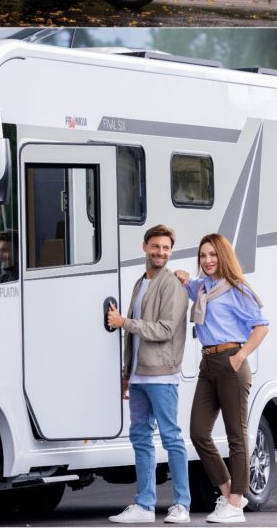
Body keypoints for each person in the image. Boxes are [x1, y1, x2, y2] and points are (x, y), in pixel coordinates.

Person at [173, 234, 269, 525]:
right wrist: (182, 277)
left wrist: (239, 357)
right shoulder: (202, 288)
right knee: (198, 432)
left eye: (213, 255)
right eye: (203, 255)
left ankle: (237, 504)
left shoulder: (237, 289)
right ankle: (227, 494)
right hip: (208, 363)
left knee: (236, 435)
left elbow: (262, 327)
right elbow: (188, 286)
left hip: (230, 362)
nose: (208, 260)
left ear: (223, 256)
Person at [106, 225, 191, 525]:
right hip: (140, 376)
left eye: (166, 248)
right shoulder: (141, 282)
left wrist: (124, 322)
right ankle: (144, 505)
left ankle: (182, 505)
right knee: (140, 438)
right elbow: (133, 340)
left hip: (162, 375)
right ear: (144, 247)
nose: (161, 253)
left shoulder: (173, 285)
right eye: (156, 247)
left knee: (171, 438)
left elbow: (165, 329)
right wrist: (126, 374)